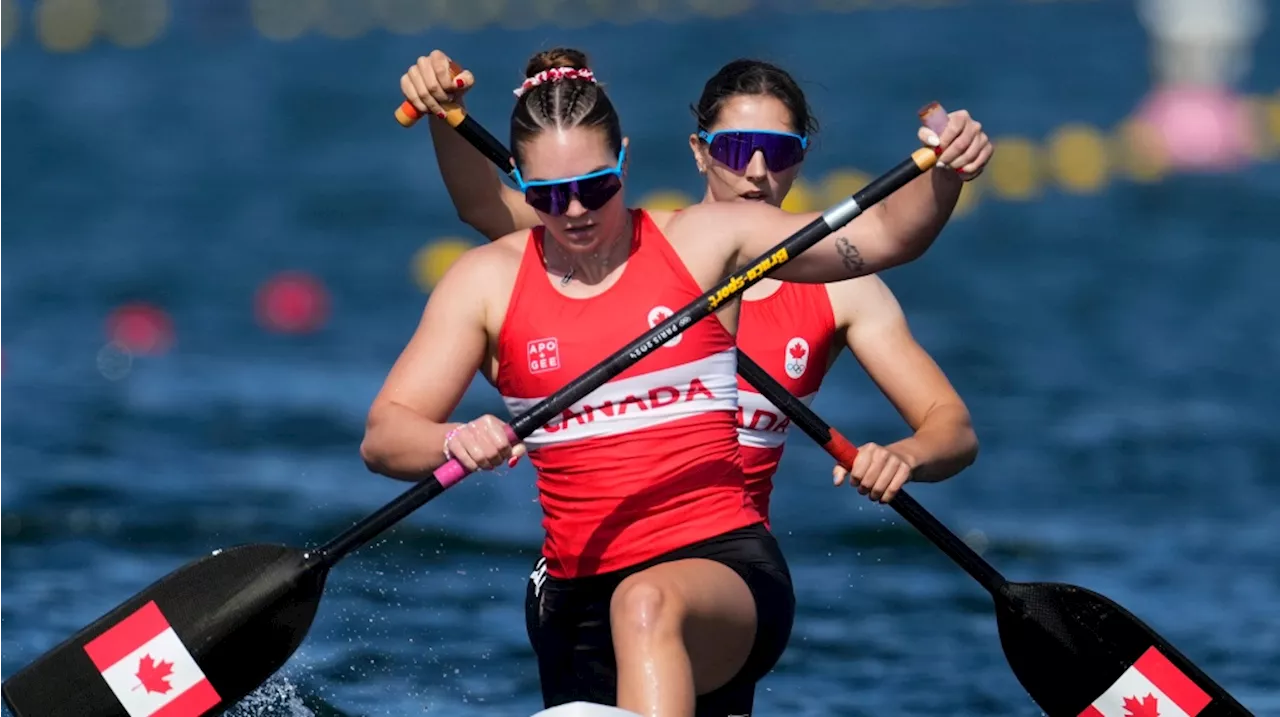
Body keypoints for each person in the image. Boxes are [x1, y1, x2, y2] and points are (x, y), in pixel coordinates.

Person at [366, 48, 990, 717]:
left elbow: (890, 234)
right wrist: (455, 438)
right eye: (548, 196)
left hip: (724, 564)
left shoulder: (707, 242)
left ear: (625, 162)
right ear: (520, 183)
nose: (575, 211)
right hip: (574, 599)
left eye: (596, 187)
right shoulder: (487, 279)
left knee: (646, 602)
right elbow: (385, 436)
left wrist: (947, 169)